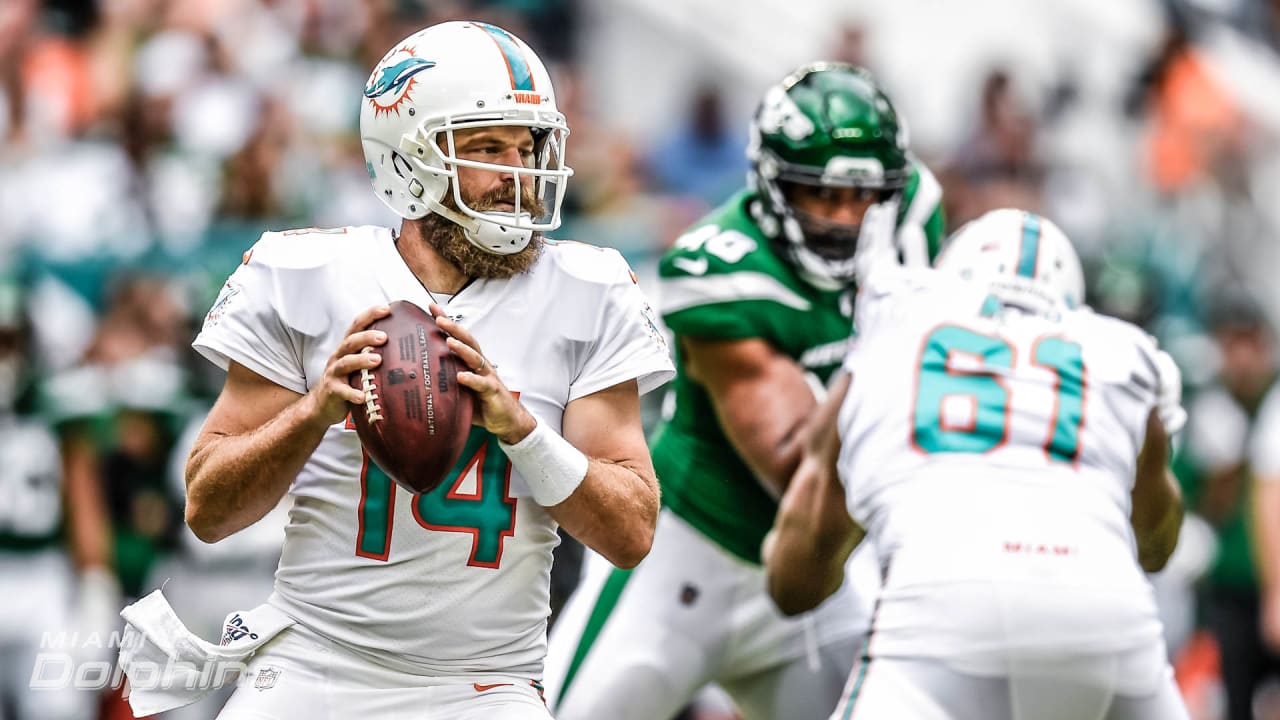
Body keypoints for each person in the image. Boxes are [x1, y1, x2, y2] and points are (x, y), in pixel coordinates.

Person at [117, 20, 673, 719]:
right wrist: (313, 411)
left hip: (488, 681)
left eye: (526, 146)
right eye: (485, 147)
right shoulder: (308, 278)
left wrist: (525, 433)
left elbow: (631, 534)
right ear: (407, 159)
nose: (518, 175)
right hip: (314, 661)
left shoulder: (588, 290)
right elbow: (208, 510)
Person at [544, 62, 944, 720]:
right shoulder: (718, 266)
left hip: (821, 573)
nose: (848, 218)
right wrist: (886, 343)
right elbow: (794, 465)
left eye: (864, 196)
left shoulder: (913, 218)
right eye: (823, 196)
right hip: (688, 560)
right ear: (771, 186)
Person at [763, 208, 1190, 719]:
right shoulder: (1122, 352)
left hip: (943, 603)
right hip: (1105, 614)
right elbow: (1157, 545)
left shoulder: (896, 324)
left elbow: (797, 581)